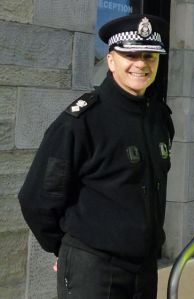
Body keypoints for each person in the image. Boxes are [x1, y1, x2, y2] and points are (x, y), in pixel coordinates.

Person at [18, 14, 174, 298]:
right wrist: (66, 249)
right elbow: (36, 199)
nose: (141, 64)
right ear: (111, 60)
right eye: (130, 55)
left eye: (150, 56)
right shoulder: (81, 121)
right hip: (94, 270)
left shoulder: (158, 118)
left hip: (144, 269)